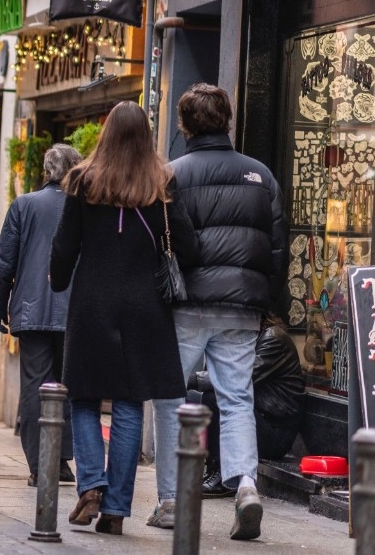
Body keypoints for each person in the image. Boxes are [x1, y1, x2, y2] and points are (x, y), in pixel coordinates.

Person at [49, 101, 199, 536]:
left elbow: (64, 248)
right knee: (131, 403)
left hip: (92, 303)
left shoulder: (81, 180)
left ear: (107, 133)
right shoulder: (162, 182)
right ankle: (115, 507)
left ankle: (91, 484)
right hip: (145, 306)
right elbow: (187, 245)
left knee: (83, 396)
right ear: (146, 136)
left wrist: (58, 280)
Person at [150, 83, 288, 540]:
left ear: (185, 125)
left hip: (188, 304)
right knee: (236, 400)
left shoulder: (172, 174)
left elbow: (162, 245)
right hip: (242, 307)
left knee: (171, 399)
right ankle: (246, 485)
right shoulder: (261, 176)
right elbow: (276, 248)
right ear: (227, 120)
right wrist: (270, 303)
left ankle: (171, 499)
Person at [0, 144, 82, 486]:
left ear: (46, 170)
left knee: (35, 387)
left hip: (31, 310)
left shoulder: (24, 205)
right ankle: (62, 462)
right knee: (68, 386)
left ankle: (38, 464)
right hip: (75, 311)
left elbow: (3, 263)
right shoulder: (85, 206)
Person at [194, 315, 305, 497]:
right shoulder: (249, 339)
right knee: (211, 398)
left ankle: (222, 475)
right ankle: (215, 470)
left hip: (276, 433)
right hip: (261, 419)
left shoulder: (273, 339)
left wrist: (190, 379)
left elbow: (237, 378)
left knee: (214, 398)